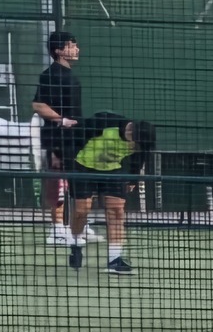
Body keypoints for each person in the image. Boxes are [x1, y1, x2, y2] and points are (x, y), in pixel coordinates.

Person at [65, 115, 154, 275]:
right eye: (135, 144)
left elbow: (141, 157)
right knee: (81, 210)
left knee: (117, 211)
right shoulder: (104, 122)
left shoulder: (141, 143)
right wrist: (65, 160)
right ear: (130, 132)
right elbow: (74, 137)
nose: (135, 148)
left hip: (112, 170)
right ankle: (76, 245)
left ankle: (114, 260)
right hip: (82, 167)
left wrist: (133, 178)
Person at [32, 31, 93, 247]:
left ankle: (79, 225)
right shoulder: (50, 75)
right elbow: (38, 105)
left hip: (75, 138)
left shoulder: (70, 75)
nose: (77, 49)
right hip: (57, 138)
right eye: (71, 45)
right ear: (59, 50)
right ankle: (57, 229)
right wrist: (61, 120)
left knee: (78, 182)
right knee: (58, 182)